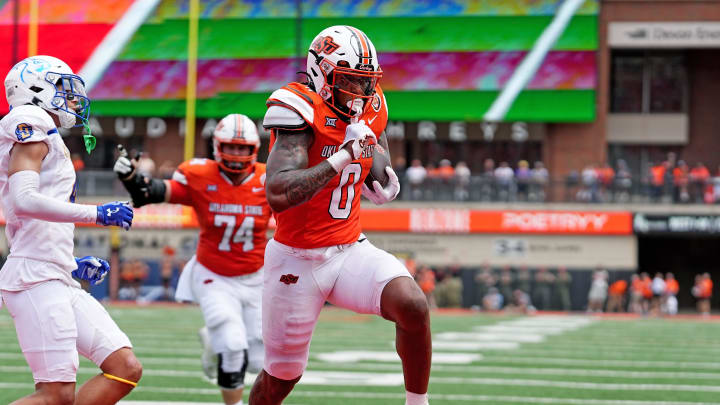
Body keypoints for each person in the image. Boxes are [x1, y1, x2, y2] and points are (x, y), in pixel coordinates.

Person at [250, 25, 430, 405]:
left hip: (349, 248)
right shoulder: (298, 108)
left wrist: (383, 177)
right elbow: (279, 193)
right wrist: (343, 157)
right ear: (321, 71)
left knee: (412, 305)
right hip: (295, 260)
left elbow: (375, 153)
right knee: (280, 379)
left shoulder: (372, 103)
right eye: (350, 80)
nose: (361, 92)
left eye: (367, 83)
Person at [0, 55, 140, 405]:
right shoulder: (29, 122)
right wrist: (98, 214)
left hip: (53, 271)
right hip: (35, 277)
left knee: (124, 367)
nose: (72, 99)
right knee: (55, 395)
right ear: (36, 90)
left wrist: (71, 263)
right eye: (63, 89)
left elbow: (33, 224)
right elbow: (24, 201)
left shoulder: (47, 133)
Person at [114, 113, 270, 405]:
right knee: (233, 346)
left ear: (254, 149)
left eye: (242, 148)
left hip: (257, 277)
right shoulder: (201, 175)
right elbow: (152, 192)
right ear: (216, 146)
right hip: (214, 274)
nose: (236, 154)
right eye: (230, 147)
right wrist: (131, 177)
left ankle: (212, 343)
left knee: (258, 360)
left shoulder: (268, 178)